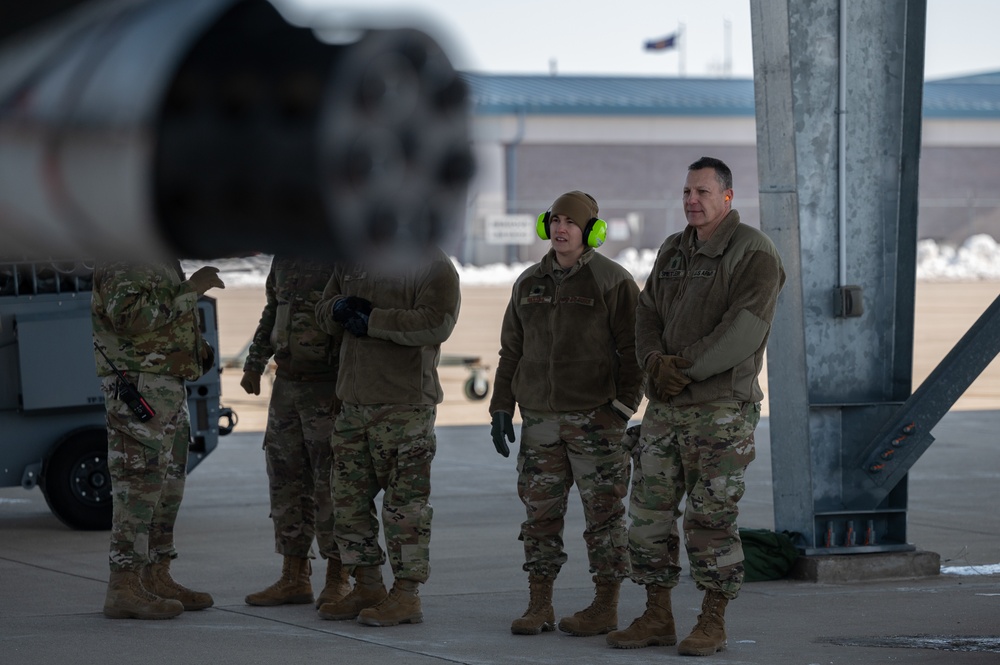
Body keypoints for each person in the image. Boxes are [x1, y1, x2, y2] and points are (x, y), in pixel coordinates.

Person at [607, 156, 785, 655]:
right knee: (647, 515)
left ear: (727, 197)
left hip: (720, 409)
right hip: (665, 408)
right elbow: (646, 313)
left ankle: (712, 619)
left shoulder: (754, 253)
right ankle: (657, 615)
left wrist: (680, 368)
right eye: (687, 192)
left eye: (703, 192)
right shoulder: (673, 249)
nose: (692, 200)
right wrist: (650, 362)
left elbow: (743, 331)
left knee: (710, 519)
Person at [488, 190, 643, 637]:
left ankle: (605, 605)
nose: (561, 229)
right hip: (540, 423)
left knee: (605, 519)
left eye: (571, 223)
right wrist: (502, 407)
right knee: (539, 519)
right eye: (555, 220)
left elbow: (635, 352)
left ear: (591, 231)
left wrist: (620, 410)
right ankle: (540, 604)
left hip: (596, 421)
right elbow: (510, 352)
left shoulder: (612, 281)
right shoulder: (528, 283)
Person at [313, 246, 461, 627]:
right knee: (346, 502)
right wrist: (337, 310)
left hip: (404, 407)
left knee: (405, 508)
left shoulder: (432, 264)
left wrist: (373, 319)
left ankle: (407, 596)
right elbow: (324, 308)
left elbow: (437, 322)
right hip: (353, 404)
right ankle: (366, 584)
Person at [91, 260, 224, 619]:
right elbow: (129, 317)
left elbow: (163, 320)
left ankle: (156, 575)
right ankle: (123, 585)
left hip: (164, 384)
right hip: (139, 384)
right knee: (138, 487)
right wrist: (190, 290)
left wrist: (197, 351)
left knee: (166, 490)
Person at [241, 257, 348, 609]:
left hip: (327, 386)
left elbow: (353, 322)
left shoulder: (342, 254)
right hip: (286, 384)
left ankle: (339, 577)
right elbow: (273, 309)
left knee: (330, 484)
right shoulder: (285, 256)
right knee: (286, 481)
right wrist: (255, 363)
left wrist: (346, 384)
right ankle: (294, 576)